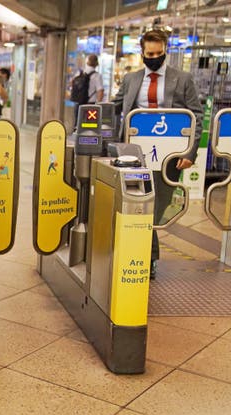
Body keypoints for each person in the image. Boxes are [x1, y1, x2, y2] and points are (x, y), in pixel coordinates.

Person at [112, 29, 203, 280]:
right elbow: (115, 106)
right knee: (136, 205)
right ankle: (146, 258)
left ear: (165, 51)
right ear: (142, 52)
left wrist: (191, 151)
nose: (154, 57)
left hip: (169, 157)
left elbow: (196, 115)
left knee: (155, 210)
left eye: (158, 53)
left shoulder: (182, 79)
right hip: (134, 155)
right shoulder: (132, 79)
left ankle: (145, 255)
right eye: (149, 53)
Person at [73, 54, 104, 127]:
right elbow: (100, 91)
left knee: (78, 124)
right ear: (96, 64)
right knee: (89, 125)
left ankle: (77, 136)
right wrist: (98, 104)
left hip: (79, 103)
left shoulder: (80, 73)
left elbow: (73, 84)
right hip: (90, 104)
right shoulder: (97, 76)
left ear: (87, 62)